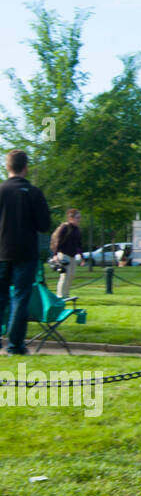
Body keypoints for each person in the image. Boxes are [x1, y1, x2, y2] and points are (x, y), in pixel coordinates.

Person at [0, 150, 51, 355]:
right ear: (25, 167)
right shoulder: (34, 193)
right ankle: (15, 344)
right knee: (20, 298)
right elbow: (44, 225)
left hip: (1, 251)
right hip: (25, 252)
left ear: (7, 167)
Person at [49, 208, 83, 299]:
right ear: (71, 218)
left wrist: (82, 256)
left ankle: (66, 295)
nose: (79, 220)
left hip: (72, 256)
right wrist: (55, 255)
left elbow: (79, 244)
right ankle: (60, 296)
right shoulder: (65, 227)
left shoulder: (77, 229)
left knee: (71, 275)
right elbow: (58, 241)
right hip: (63, 254)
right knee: (64, 276)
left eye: (79, 218)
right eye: (77, 218)